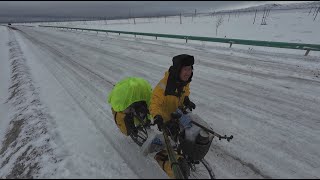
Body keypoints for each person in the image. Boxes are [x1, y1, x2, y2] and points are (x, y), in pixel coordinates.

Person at [148, 54, 197, 178]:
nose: (188, 72)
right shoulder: (164, 85)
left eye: (190, 68)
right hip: (165, 118)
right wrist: (158, 117)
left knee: (190, 130)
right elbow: (154, 103)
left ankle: (183, 152)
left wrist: (186, 100)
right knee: (170, 144)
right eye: (185, 69)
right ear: (178, 69)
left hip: (177, 114)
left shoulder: (184, 82)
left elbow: (185, 92)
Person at [107, 77, 153, 146]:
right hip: (141, 88)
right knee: (128, 114)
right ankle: (140, 123)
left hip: (134, 91)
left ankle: (139, 123)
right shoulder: (120, 99)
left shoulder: (117, 99)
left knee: (127, 114)